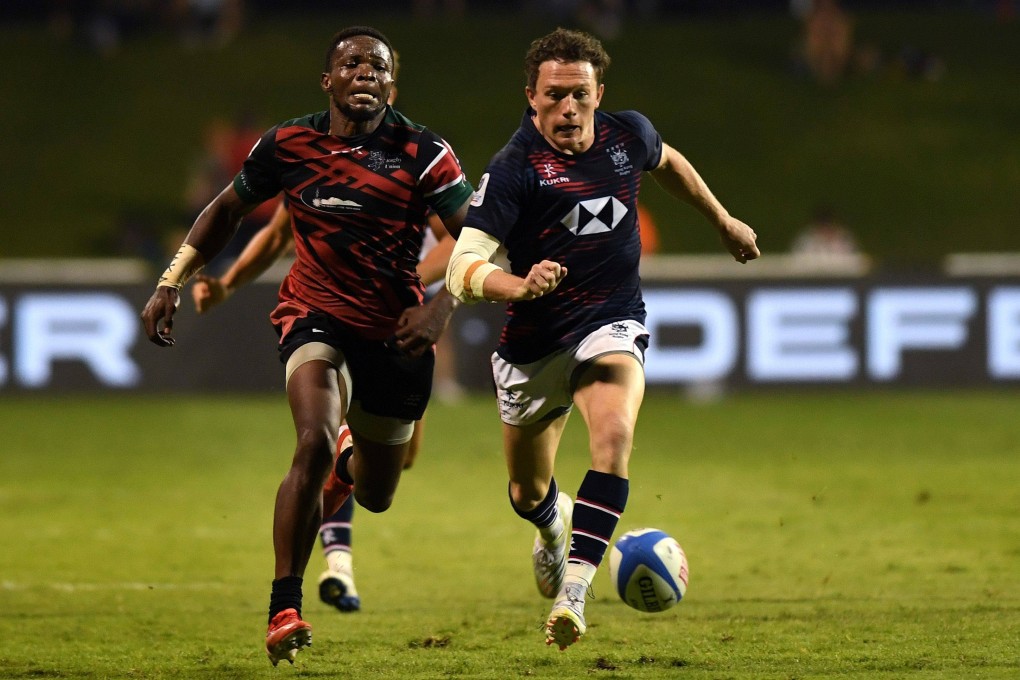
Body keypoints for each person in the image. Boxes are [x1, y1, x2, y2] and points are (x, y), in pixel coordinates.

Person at [141, 25, 474, 666]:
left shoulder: (425, 153)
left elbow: (477, 237)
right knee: (313, 439)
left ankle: (353, 459)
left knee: (376, 491)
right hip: (312, 316)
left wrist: (442, 307)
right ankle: (284, 606)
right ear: (329, 79)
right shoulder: (289, 144)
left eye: (377, 67)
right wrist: (172, 279)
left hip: (396, 335)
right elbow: (228, 212)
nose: (364, 74)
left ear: (391, 85)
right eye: (352, 63)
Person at [445, 27, 759, 650]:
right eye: (555, 95)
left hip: (610, 320)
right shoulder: (513, 170)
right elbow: (461, 269)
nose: (569, 108)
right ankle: (551, 529)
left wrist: (722, 222)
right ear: (530, 99)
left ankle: (575, 595)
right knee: (526, 491)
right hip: (534, 339)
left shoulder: (627, 135)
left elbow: (668, 161)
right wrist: (519, 284)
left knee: (612, 437)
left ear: (599, 94)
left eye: (580, 95)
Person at [190, 200, 457, 613]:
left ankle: (344, 460)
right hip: (327, 317)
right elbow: (278, 233)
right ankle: (321, 573)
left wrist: (393, 281)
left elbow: (458, 239)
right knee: (321, 431)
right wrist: (227, 283)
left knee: (397, 463)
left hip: (401, 319)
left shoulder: (415, 161)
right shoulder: (311, 158)